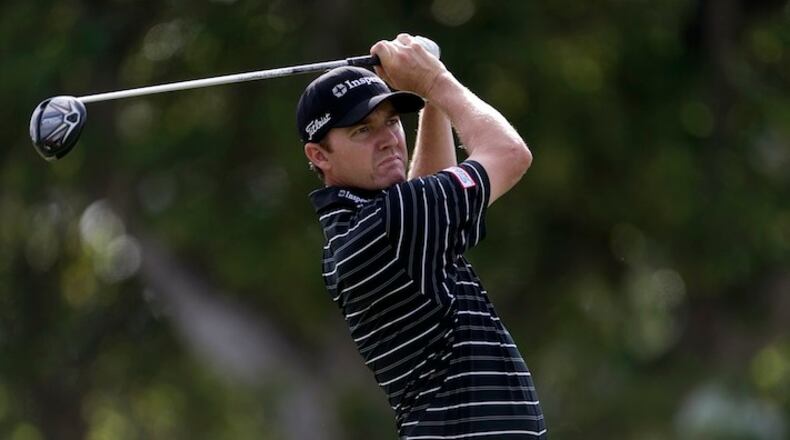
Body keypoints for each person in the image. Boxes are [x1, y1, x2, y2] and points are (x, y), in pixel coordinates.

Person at [297, 33, 547, 439]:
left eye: (392, 121)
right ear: (319, 155)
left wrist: (430, 100)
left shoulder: (359, 229)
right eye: (362, 130)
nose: (388, 140)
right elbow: (510, 154)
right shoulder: (392, 220)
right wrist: (434, 80)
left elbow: (428, 197)